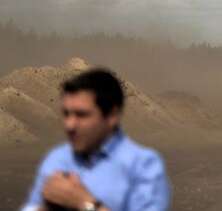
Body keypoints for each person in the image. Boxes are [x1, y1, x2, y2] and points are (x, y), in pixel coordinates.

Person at [21, 68, 170, 211]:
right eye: (66, 114)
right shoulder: (56, 159)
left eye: (81, 115)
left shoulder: (143, 166)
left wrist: (85, 203)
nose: (69, 125)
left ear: (112, 116)